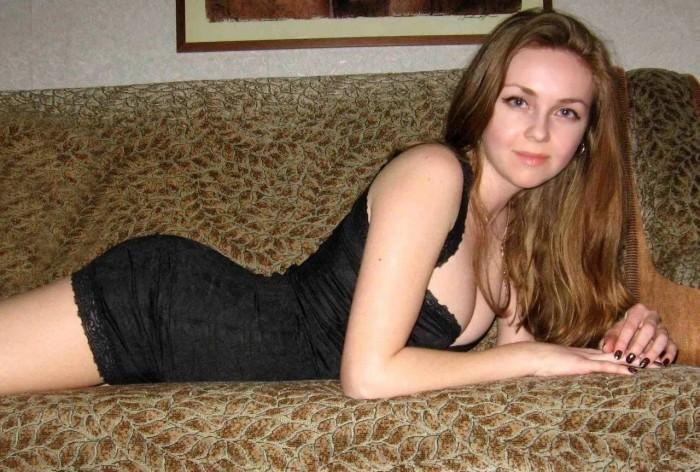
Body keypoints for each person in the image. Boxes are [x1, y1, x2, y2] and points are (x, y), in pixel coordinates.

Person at [0, 8, 677, 398]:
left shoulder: (519, 229)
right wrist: (536, 358)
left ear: (587, 135)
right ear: (483, 100)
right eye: (519, 101)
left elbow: (519, 366)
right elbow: (367, 374)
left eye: (566, 112)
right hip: (163, 310)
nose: (539, 130)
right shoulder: (434, 174)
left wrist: (623, 335)